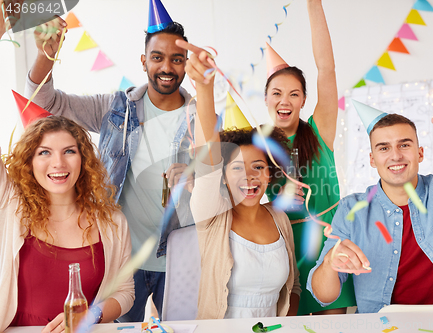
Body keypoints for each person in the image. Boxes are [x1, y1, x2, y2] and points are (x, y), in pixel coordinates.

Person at [24, 7, 195, 321]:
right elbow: (45, 100)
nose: (166, 67)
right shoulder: (117, 109)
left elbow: (227, 189)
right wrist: (46, 56)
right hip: (122, 261)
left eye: (176, 58)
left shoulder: (202, 118)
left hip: (181, 260)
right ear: (144, 61)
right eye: (157, 57)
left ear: (186, 63)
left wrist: (199, 179)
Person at [307, 86, 433, 313]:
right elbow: (324, 296)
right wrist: (331, 262)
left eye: (404, 145)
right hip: (382, 327)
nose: (395, 155)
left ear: (420, 153)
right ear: (372, 159)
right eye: (384, 148)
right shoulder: (352, 209)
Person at [178, 40, 301, 319]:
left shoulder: (279, 219)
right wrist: (205, 89)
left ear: (269, 174)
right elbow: (208, 155)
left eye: (258, 166)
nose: (248, 176)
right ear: (222, 176)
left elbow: (294, 287)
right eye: (236, 168)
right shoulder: (212, 214)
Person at [0, 116, 134, 331]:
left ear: (83, 159)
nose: (58, 163)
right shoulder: (10, 205)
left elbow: (125, 292)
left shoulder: (112, 222)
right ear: (29, 160)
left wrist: (92, 315)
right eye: (44, 152)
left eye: (69, 151)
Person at [264, 0, 355, 314]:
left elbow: (326, 68)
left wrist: (313, 4)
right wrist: (277, 202)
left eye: (293, 93)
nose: (284, 100)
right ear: (266, 99)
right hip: (283, 252)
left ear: (304, 99)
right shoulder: (257, 146)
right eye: (276, 93)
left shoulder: (319, 131)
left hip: (329, 246)